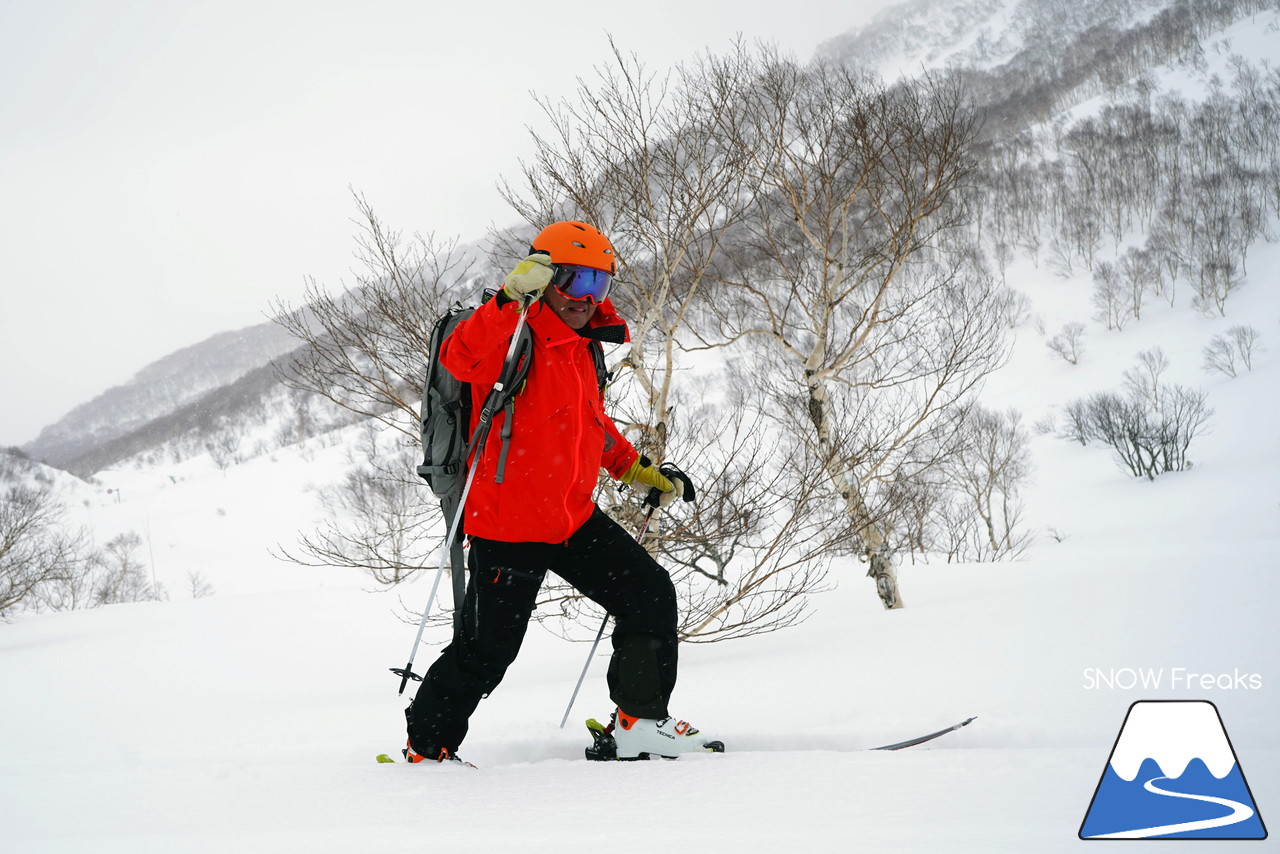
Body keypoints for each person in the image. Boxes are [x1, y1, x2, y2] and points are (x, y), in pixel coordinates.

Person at [403, 220, 715, 764]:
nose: (586, 298)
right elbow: (459, 357)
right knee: (487, 651)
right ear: (543, 277)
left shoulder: (582, 346)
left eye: (600, 283)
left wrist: (638, 469)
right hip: (507, 526)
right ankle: (427, 748)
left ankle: (640, 722)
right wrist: (506, 300)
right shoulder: (509, 335)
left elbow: (589, 425)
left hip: (571, 519)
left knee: (649, 593)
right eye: (574, 280)